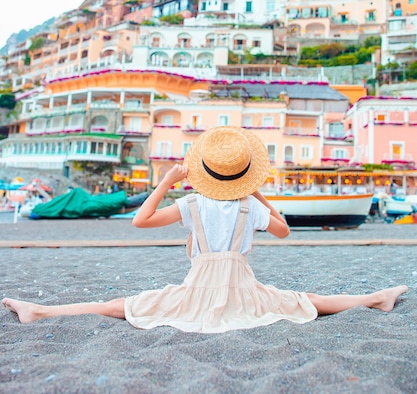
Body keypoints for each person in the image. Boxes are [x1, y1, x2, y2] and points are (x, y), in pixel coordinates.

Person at [2, 127, 408, 333]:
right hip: (243, 291)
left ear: (205, 172)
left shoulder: (191, 203)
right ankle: (376, 297)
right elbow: (285, 231)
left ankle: (40, 311)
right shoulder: (251, 205)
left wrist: (165, 182)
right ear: (244, 175)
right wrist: (259, 194)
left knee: (122, 306)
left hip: (196, 290)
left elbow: (141, 220)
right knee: (306, 301)